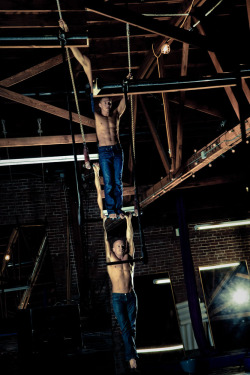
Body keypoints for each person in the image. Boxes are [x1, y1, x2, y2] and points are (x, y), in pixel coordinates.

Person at [59, 19, 126, 220]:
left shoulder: (114, 113)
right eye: (107, 102)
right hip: (105, 150)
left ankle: (117, 209)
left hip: (117, 148)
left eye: (109, 102)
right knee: (109, 181)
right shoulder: (96, 110)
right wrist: (68, 33)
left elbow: (124, 103)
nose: (109, 104)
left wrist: (128, 87)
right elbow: (81, 58)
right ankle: (112, 210)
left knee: (117, 181)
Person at [104, 213, 139, 371]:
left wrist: (129, 221)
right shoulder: (111, 260)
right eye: (118, 246)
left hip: (131, 296)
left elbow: (130, 239)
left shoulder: (129, 257)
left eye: (122, 246)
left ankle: (131, 355)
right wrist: (104, 223)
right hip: (118, 298)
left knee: (131, 328)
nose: (121, 248)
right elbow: (105, 240)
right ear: (112, 249)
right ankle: (131, 358)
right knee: (125, 328)